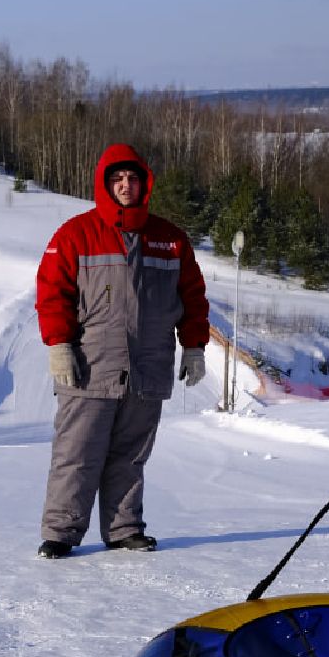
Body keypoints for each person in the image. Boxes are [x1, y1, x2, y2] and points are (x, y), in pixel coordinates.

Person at [33, 143, 210, 559]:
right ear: (104, 184)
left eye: (132, 178)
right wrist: (59, 344)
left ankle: (124, 528)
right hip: (91, 367)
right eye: (117, 179)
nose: (125, 185)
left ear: (144, 183)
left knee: (131, 456)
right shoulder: (76, 234)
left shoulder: (170, 241)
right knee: (76, 455)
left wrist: (195, 346)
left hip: (148, 368)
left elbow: (193, 297)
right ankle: (60, 532)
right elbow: (52, 293)